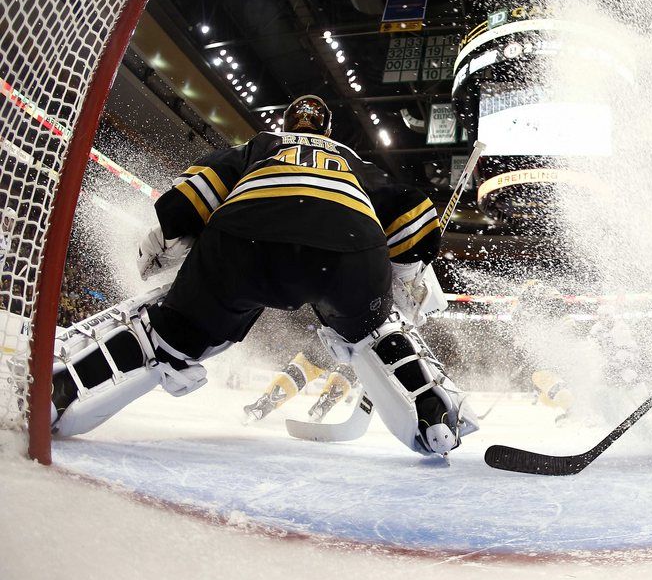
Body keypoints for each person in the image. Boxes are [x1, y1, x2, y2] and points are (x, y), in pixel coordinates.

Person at [50, 95, 476, 457]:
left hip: (246, 238)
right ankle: (433, 415)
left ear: (287, 123)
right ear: (327, 130)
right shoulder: (350, 160)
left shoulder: (263, 145)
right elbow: (411, 210)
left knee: (172, 334)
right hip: (347, 250)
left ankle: (63, 386)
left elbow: (203, 185)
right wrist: (408, 269)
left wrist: (170, 230)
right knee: (376, 331)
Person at [242, 180, 447, 424]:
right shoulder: (391, 251)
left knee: (319, 356)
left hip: (339, 301)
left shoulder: (366, 230)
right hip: (365, 315)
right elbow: (405, 296)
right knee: (356, 359)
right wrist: (413, 307)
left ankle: (268, 404)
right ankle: (320, 405)